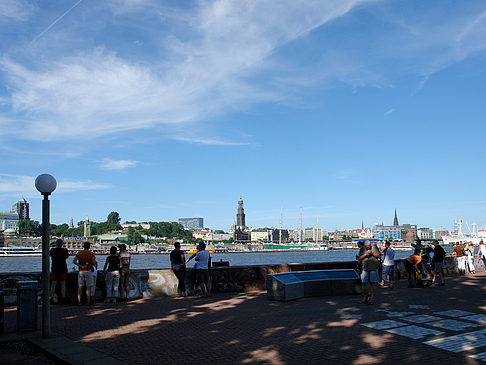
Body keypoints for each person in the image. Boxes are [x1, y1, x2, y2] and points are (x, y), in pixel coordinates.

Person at [49, 239, 69, 304]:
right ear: (62, 244)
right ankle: (63, 298)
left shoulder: (52, 250)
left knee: (53, 284)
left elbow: (51, 255)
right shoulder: (64, 250)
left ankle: (51, 298)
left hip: (54, 268)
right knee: (63, 284)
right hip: (62, 268)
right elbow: (66, 257)